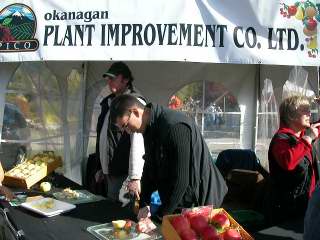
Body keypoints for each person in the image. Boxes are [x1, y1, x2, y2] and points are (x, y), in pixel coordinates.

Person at [109, 94, 228, 220]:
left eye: (126, 125)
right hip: (177, 196)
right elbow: (150, 169)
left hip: (202, 197)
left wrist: (161, 216)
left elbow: (182, 180)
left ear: (136, 112)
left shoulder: (175, 126)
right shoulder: (149, 128)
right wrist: (145, 205)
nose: (127, 131)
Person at [92, 61, 146, 202]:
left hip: (123, 173)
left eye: (113, 78)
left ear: (126, 80)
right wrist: (100, 167)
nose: (109, 82)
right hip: (109, 171)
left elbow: (138, 143)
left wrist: (134, 177)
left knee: (122, 212)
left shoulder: (134, 103)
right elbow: (103, 137)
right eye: (108, 79)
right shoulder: (108, 102)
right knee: (111, 208)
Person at [267, 95, 320, 223]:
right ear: (291, 116)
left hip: (306, 203)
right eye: (304, 110)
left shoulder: (304, 135)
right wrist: (307, 139)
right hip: (287, 210)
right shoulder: (281, 139)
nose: (309, 113)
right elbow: (288, 162)